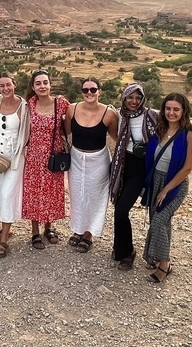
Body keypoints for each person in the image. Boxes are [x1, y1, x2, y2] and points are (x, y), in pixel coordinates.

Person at [109, 83, 192, 270]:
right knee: (118, 210)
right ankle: (121, 248)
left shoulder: (151, 114)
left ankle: (129, 253)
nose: (134, 101)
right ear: (124, 97)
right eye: (130, 97)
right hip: (122, 165)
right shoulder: (119, 115)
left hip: (142, 167)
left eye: (138, 97)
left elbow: (178, 117)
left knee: (123, 210)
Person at [141, 93, 192, 282]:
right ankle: (155, 257)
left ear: (183, 112)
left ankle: (165, 265)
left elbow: (187, 168)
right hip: (155, 181)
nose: (171, 113)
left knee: (159, 221)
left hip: (175, 185)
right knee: (160, 223)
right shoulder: (159, 129)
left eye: (176, 109)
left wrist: (166, 190)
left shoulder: (189, 135)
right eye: (168, 108)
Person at [64, 77, 118, 253]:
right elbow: (65, 131)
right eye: (86, 90)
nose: (89, 93)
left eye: (93, 90)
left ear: (99, 92)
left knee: (95, 197)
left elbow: (118, 137)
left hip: (99, 160)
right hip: (77, 159)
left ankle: (88, 234)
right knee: (78, 195)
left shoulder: (109, 114)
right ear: (81, 92)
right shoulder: (72, 109)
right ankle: (78, 230)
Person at [22, 69, 70, 250]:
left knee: (51, 192)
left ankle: (49, 227)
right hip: (34, 156)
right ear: (33, 87)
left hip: (54, 156)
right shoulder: (30, 104)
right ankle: (35, 231)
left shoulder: (61, 103)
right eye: (38, 83)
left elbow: (74, 119)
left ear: (50, 85)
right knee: (33, 193)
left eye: (45, 83)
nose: (42, 86)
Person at [0, 72, 30, 258]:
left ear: (15, 84)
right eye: (2, 85)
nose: (5, 88)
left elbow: (28, 131)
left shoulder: (24, 106)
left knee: (7, 194)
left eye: (8, 85)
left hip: (15, 156)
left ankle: (4, 239)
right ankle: (6, 228)